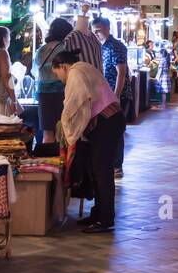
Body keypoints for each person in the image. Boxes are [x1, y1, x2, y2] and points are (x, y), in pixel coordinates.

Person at [52, 49, 124, 233]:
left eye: (56, 73)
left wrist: (66, 125)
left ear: (63, 66)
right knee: (96, 169)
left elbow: (74, 103)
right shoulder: (82, 68)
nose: (58, 78)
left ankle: (105, 220)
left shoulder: (76, 71)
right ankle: (99, 214)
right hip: (107, 122)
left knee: (102, 172)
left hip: (106, 123)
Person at [92, 17, 131, 178]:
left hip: (115, 96)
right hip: (104, 96)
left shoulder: (115, 46)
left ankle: (117, 165)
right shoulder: (100, 47)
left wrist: (116, 96)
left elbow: (121, 72)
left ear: (107, 28)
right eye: (94, 32)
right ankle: (109, 163)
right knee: (107, 130)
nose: (96, 35)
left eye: (98, 31)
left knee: (116, 130)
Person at [36, 18, 73, 144]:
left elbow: (36, 70)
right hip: (60, 92)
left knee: (47, 132)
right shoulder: (64, 48)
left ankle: (48, 161)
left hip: (43, 93)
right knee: (61, 130)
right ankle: (61, 160)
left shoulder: (41, 50)